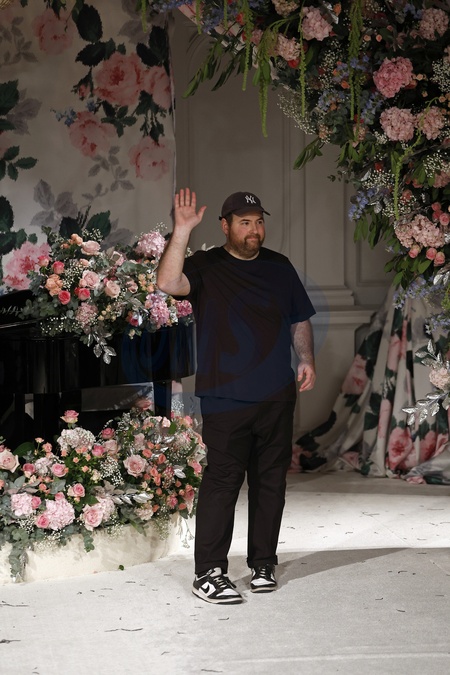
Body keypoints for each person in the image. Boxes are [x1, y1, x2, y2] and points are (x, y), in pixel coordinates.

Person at [157, 188, 316, 604]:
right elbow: (168, 282)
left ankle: (263, 564)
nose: (254, 230)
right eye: (244, 222)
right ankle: (208, 573)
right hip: (225, 396)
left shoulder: (279, 267)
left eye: (258, 221)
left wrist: (306, 358)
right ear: (225, 226)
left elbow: (299, 317)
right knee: (223, 482)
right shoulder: (205, 266)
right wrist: (182, 230)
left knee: (270, 483)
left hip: (276, 394)